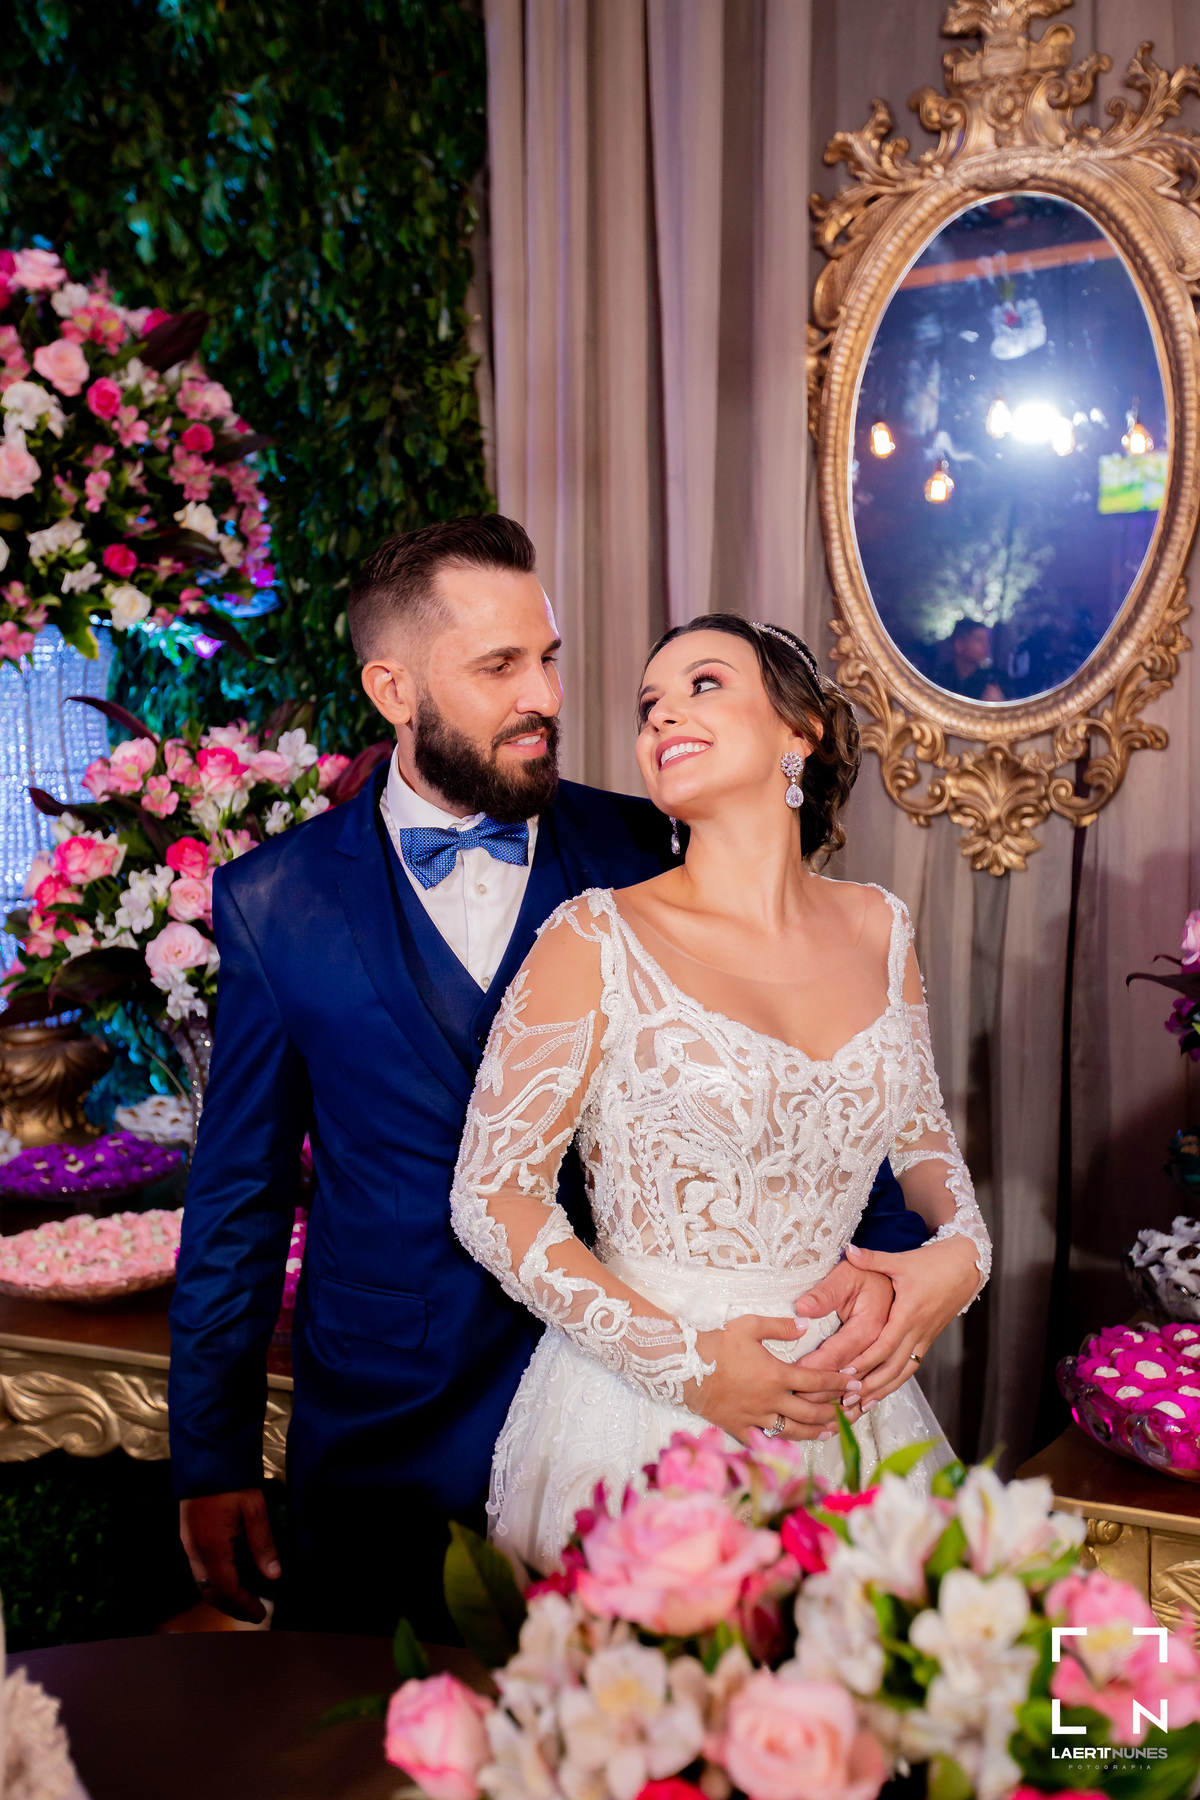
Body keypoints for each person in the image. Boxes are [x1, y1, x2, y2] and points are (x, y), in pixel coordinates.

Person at [169, 518, 918, 1636]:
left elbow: (804, 1072)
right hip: (390, 1425)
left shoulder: (648, 847)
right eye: (500, 666)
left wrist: (889, 1261)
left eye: (550, 657)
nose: (547, 697)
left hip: (637, 1413)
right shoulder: (273, 903)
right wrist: (211, 1453)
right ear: (392, 689)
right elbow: (240, 1195)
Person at [450, 614, 991, 1573]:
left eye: (703, 685)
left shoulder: (881, 927)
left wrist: (963, 1254)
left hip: (846, 1399)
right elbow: (493, 1196)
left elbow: (920, 1138)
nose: (661, 717)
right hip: (644, 1410)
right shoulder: (594, 937)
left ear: (800, 731)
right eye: (648, 705)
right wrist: (689, 1367)